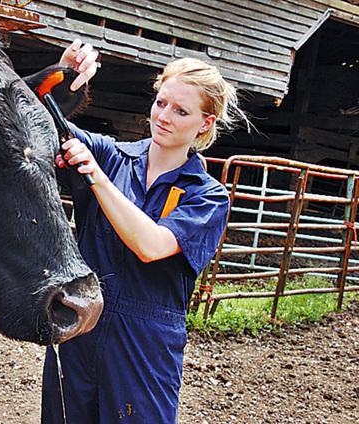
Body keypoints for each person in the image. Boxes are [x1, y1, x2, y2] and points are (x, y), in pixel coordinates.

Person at [41, 41, 249, 423]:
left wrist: (97, 180)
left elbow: (151, 245)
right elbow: (37, 118)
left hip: (144, 344)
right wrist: (62, 74)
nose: (164, 116)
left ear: (206, 123)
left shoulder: (207, 197)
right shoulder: (111, 154)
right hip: (82, 327)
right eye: (161, 103)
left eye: (181, 110)